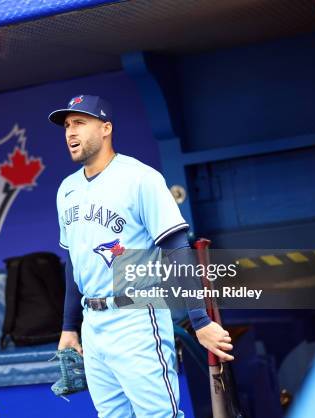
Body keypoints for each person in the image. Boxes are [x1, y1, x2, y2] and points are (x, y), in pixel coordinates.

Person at [49, 95, 234, 417]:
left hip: (136, 315)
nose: (70, 132)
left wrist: (200, 321)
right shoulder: (66, 189)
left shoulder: (140, 177)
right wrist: (69, 327)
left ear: (106, 128)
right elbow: (73, 262)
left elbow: (177, 250)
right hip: (92, 322)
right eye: (66, 125)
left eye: (79, 122)